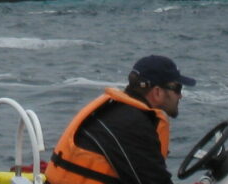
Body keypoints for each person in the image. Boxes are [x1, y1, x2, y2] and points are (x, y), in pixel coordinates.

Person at [47, 55, 196, 184]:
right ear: (157, 92)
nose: (180, 95)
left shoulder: (116, 112)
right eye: (177, 89)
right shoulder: (133, 125)